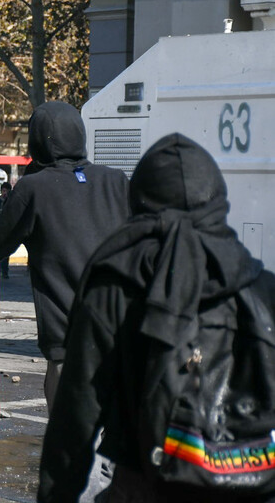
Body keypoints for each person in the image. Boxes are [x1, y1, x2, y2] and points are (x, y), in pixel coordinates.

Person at [38, 133, 272, 503]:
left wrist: (56, 496)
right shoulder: (259, 284)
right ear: (217, 198)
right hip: (256, 483)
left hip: (146, 482)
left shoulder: (118, 282)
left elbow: (78, 415)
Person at [0, 100, 130, 410]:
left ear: (37, 141)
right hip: (120, 322)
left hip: (66, 331)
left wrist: (1, 211)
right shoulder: (115, 181)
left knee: (68, 438)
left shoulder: (34, 188)